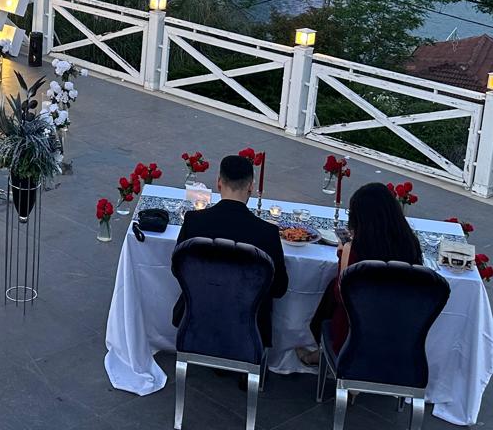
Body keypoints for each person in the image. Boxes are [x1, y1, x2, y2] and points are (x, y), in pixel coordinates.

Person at [170, 153, 288, 345]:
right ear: (250, 187)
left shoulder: (193, 221)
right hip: (249, 326)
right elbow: (279, 288)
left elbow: (178, 269)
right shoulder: (267, 233)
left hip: (197, 315)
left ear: (219, 182)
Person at [301, 181, 425, 363]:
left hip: (355, 335)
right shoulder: (409, 244)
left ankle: (323, 354)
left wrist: (343, 254)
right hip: (398, 333)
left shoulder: (355, 249)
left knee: (332, 294)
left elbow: (341, 296)